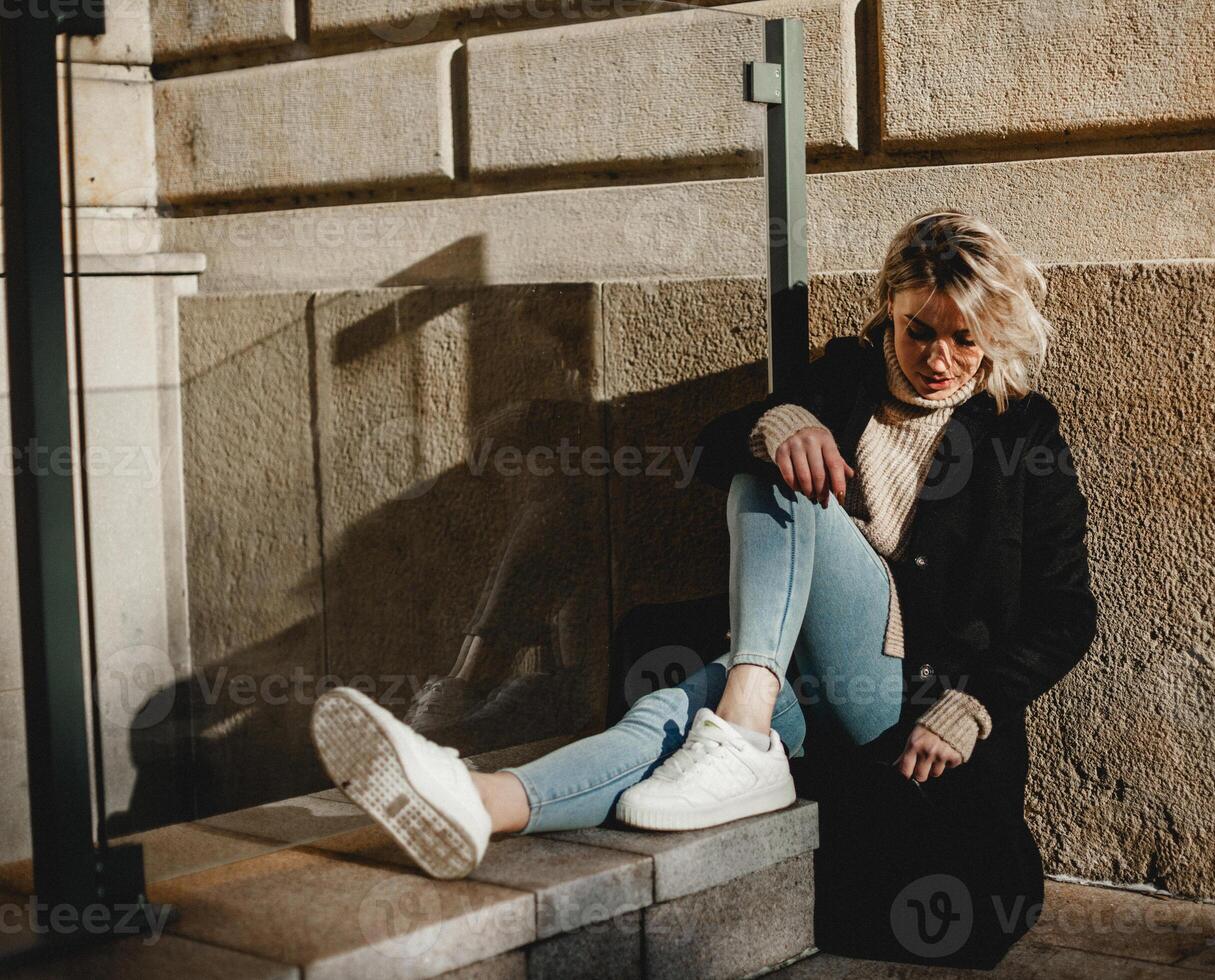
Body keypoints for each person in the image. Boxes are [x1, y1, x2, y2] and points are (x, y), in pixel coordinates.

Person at [308, 211, 1098, 898]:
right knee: (669, 713)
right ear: (887, 311)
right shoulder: (848, 381)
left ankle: (742, 729)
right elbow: (711, 450)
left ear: (991, 334)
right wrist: (782, 418)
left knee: (785, 485)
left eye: (964, 339)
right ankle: (480, 803)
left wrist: (976, 705)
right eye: (918, 331)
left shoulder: (1020, 431)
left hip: (907, 692)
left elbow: (1068, 612)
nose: (938, 358)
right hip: (795, 677)